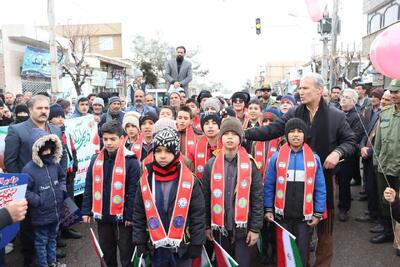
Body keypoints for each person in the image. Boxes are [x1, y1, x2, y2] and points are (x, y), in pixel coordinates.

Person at [245, 73, 356, 266]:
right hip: (293, 184)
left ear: (319, 90)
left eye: (305, 88)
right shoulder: (295, 112)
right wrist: (242, 133)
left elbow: (351, 141)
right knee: (297, 233)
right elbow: (272, 130)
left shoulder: (336, 116)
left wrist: (338, 152)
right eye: (300, 88)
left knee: (324, 232)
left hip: (324, 179)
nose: (300, 92)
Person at [4, 95, 66, 266]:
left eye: (46, 108)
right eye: (39, 108)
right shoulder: (17, 130)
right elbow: (10, 161)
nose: (44, 111)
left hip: (51, 190)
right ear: (30, 109)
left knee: (51, 227)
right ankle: (30, 258)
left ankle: (49, 257)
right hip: (30, 191)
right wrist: (22, 188)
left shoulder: (55, 129)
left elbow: (62, 155)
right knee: (29, 229)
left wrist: (60, 184)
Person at [132, 127, 205, 267]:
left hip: (182, 247)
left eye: (168, 151)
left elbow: (198, 214)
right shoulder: (145, 180)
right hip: (155, 246)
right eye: (158, 151)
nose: (163, 156)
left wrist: (197, 242)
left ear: (176, 152)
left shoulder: (190, 181)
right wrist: (139, 241)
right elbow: (139, 213)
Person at [264, 118, 326, 267]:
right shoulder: (276, 157)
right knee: (283, 252)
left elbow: (320, 188)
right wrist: (268, 208)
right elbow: (269, 185)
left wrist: (318, 212)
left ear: (305, 135)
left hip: (304, 218)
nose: (296, 135)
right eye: (292, 131)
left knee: (302, 253)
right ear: (286, 135)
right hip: (281, 216)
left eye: (299, 131)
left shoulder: (314, 158)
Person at [202, 117, 263, 267]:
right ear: (220, 137)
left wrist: (255, 229)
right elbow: (205, 197)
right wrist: (206, 226)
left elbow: (257, 198)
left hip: (243, 227)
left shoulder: (250, 164)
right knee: (222, 263)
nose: (230, 137)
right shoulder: (211, 164)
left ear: (241, 138)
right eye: (226, 133)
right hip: (219, 227)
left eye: (234, 134)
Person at [81, 121, 140, 267]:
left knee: (126, 253)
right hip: (103, 216)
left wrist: (129, 214)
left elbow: (134, 191)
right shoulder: (96, 160)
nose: (108, 143)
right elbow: (89, 186)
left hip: (122, 219)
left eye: (113, 139)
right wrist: (87, 210)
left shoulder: (131, 161)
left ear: (122, 139)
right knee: (107, 252)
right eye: (105, 139)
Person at [23, 129, 67, 267]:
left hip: (55, 211)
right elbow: (25, 190)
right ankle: (43, 264)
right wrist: (38, 200)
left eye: (50, 150)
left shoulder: (55, 164)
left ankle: (53, 262)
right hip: (40, 213)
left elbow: (62, 178)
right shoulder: (28, 169)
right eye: (44, 150)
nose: (47, 153)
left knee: (53, 238)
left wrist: (61, 190)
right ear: (37, 150)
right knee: (41, 241)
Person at [372, 79, 400, 247]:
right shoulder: (386, 112)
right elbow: (379, 141)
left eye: (397, 92)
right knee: (385, 200)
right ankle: (387, 231)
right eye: (392, 92)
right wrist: (377, 161)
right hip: (384, 165)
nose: (394, 95)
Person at [356, 88, 383, 225]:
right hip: (366, 154)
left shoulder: (382, 114)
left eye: (377, 97)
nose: (374, 99)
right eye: (372, 96)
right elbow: (366, 133)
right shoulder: (371, 112)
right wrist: (362, 147)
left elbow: (383, 142)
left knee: (376, 190)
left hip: (377, 157)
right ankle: (372, 212)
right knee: (369, 187)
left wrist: (370, 151)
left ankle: (377, 217)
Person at [336, 89, 364, 221]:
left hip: (347, 156)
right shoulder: (334, 112)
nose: (343, 99)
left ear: (354, 101)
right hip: (332, 153)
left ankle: (344, 208)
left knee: (344, 183)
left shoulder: (357, 117)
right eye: (342, 96)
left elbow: (355, 137)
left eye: (347, 97)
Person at [188, 112, 221, 180]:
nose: (210, 126)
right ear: (202, 128)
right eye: (206, 123)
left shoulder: (226, 147)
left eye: (214, 123)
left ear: (219, 126)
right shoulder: (194, 149)